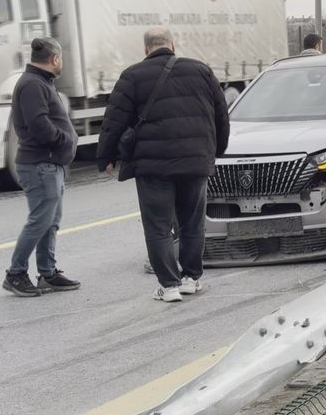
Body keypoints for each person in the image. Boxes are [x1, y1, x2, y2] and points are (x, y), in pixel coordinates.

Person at [96, 27, 229, 302]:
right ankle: (192, 279)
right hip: (195, 162)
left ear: (145, 49)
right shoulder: (202, 71)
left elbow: (114, 121)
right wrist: (216, 151)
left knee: (158, 226)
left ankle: (169, 286)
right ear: (173, 44)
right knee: (192, 223)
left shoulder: (132, 76)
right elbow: (221, 116)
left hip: (153, 166)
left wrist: (106, 157)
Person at [3, 37, 80, 297]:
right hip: (39, 164)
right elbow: (39, 125)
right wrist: (64, 141)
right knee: (40, 221)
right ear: (55, 59)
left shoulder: (40, 82)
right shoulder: (33, 85)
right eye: (61, 59)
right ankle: (15, 274)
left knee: (51, 221)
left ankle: (47, 273)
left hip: (50, 164)